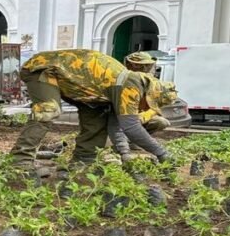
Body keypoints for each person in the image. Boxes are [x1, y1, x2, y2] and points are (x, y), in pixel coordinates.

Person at [10, 49, 178, 168]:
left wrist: (124, 152)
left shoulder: (127, 85)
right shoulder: (131, 84)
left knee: (98, 116)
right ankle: (20, 161)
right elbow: (131, 127)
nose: (144, 108)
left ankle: (84, 159)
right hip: (44, 69)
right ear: (148, 95)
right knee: (48, 110)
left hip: (81, 86)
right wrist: (162, 153)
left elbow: (115, 125)